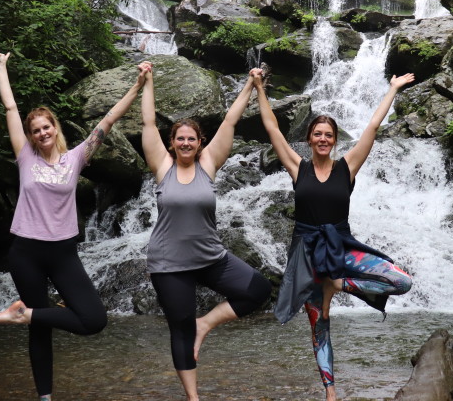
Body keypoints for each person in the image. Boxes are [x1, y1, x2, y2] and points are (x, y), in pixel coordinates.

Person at [0, 52, 147, 401]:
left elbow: (109, 119)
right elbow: (10, 108)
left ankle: (23, 313)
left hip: (62, 253)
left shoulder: (76, 158)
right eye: (35, 130)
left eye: (46, 127)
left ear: (55, 128)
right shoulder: (25, 157)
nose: (42, 133)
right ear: (30, 136)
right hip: (26, 251)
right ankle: (45, 397)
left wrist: (138, 85)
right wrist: (2, 69)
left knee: (94, 320)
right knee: (39, 329)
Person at [251, 67, 415, 401]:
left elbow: (372, 127)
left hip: (341, 249)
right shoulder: (298, 167)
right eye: (318, 134)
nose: (323, 139)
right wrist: (259, 89)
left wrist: (393, 89)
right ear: (309, 139)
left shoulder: (347, 167)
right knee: (319, 324)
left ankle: (338, 285)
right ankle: (330, 392)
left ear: (335, 140)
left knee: (401, 281)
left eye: (328, 135)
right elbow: (272, 129)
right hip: (307, 255)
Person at [140, 60, 272, 401]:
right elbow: (148, 122)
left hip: (211, 257)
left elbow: (229, 121)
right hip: (169, 264)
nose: (186, 143)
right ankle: (193, 397)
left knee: (257, 289)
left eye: (191, 139)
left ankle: (206, 323)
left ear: (200, 143)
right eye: (180, 139)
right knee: (180, 329)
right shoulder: (162, 167)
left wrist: (249, 85)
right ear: (171, 143)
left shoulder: (208, 165)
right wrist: (147, 81)